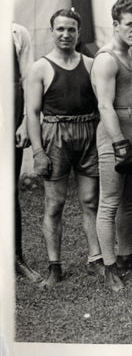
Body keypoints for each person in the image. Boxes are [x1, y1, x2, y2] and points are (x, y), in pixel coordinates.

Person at [26, 9, 103, 288]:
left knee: (90, 201)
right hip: (55, 136)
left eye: (71, 29)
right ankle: (54, 265)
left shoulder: (92, 64)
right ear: (51, 31)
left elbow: (101, 105)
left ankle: (96, 259)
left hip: (87, 134)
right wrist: (38, 152)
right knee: (55, 204)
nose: (65, 35)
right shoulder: (40, 67)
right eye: (60, 29)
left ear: (78, 32)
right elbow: (32, 113)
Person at [91, 0, 132, 291]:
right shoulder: (106, 58)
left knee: (130, 201)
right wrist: (119, 144)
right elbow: (104, 106)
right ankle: (109, 266)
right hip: (114, 138)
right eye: (130, 25)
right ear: (115, 24)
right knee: (110, 201)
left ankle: (125, 255)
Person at [13, 22, 42, 283]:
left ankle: (16, 259)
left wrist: (24, 121)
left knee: (9, 193)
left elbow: (27, 81)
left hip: (9, 121)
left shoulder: (17, 33)